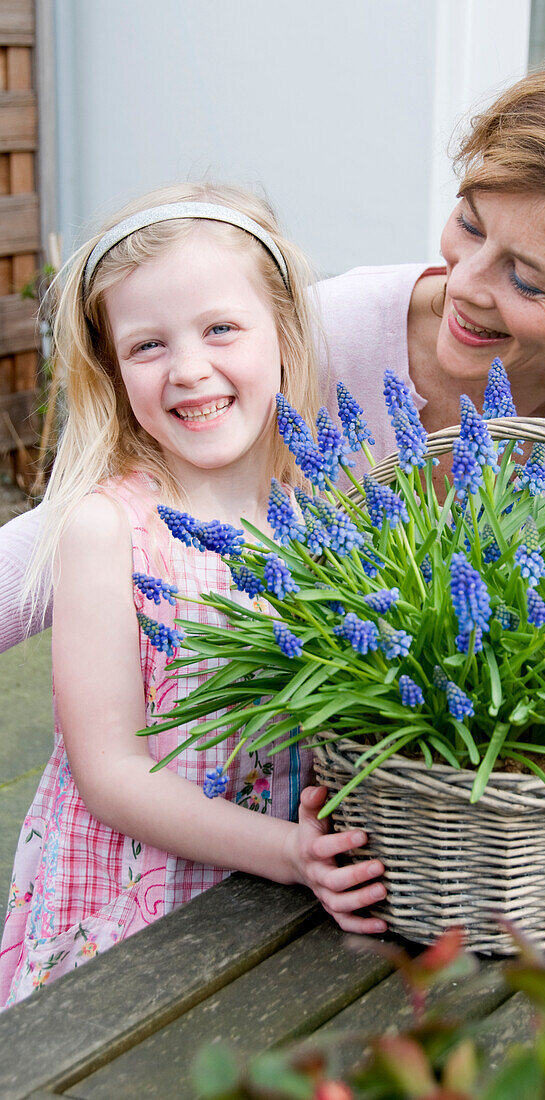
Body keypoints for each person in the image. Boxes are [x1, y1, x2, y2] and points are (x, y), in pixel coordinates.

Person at [1, 57, 545, 971]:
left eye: (527, 279)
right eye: (467, 223)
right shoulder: (306, 340)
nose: (463, 281)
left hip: (524, 888)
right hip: (294, 880)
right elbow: (76, 537)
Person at [0, 184, 387, 1008]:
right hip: (142, 906)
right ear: (112, 368)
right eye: (146, 345)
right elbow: (111, 773)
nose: (188, 369)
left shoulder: (323, 516)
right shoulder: (109, 529)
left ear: (282, 332)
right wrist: (286, 851)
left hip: (292, 895)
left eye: (220, 329)